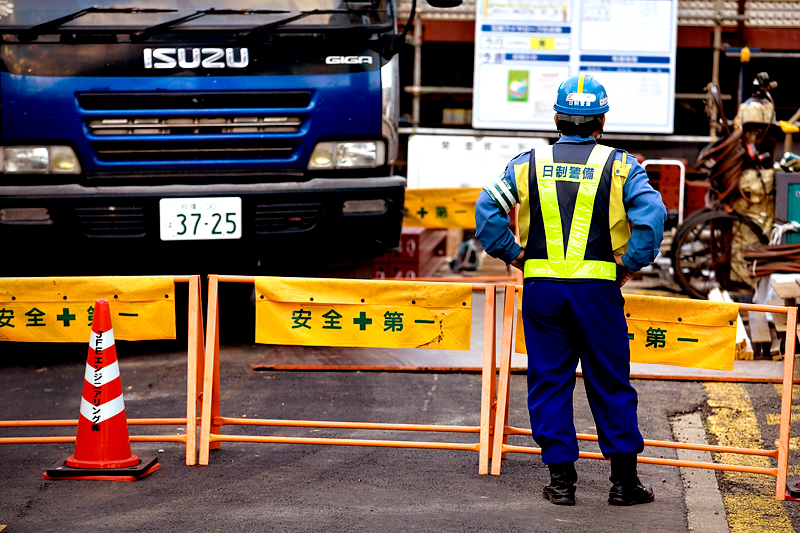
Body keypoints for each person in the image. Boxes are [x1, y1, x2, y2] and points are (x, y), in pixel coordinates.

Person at [475, 74, 667, 506]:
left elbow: (488, 210)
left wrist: (516, 255)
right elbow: (652, 215)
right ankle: (623, 484)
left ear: (559, 118)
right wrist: (630, 262)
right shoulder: (620, 165)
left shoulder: (527, 162)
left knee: (549, 380)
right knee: (610, 382)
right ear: (601, 120)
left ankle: (561, 483)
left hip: (542, 290)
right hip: (598, 292)